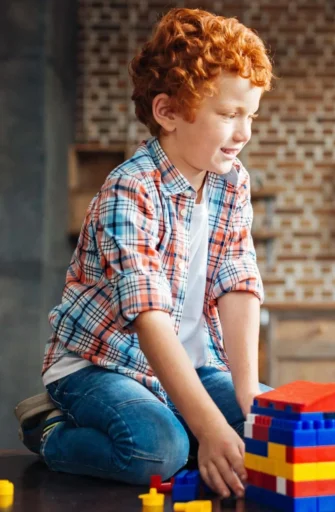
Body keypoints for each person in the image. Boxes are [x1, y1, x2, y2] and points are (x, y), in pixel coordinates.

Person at [13, 8, 272, 499]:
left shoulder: (232, 183)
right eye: (228, 115)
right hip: (101, 365)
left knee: (268, 433)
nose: (244, 134)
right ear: (168, 112)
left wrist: (248, 395)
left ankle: (196, 420)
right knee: (159, 450)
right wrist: (211, 428)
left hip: (191, 365)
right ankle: (48, 429)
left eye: (250, 116)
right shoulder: (129, 189)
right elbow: (150, 317)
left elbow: (238, 281)